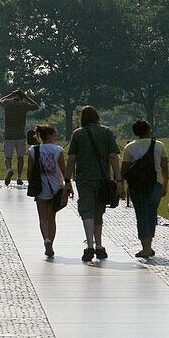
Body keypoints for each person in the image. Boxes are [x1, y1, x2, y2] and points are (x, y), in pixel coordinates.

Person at [66, 106, 121, 263]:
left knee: (87, 211)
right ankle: (99, 246)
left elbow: (71, 159)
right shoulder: (107, 132)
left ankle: (89, 245)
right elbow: (113, 157)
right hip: (103, 178)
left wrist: (67, 180)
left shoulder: (78, 134)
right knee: (99, 211)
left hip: (84, 178)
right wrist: (118, 180)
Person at [120, 119, 168, 260]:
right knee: (152, 214)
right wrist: (164, 185)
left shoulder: (129, 148)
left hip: (136, 186)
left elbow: (124, 170)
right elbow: (164, 168)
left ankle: (145, 248)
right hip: (156, 184)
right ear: (148, 130)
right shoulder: (159, 146)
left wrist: (121, 187)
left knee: (141, 215)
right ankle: (149, 245)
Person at [26, 124, 73, 258]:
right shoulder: (57, 150)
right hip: (56, 187)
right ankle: (51, 243)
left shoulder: (34, 150)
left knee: (42, 217)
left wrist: (31, 184)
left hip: (40, 187)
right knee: (52, 217)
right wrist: (67, 184)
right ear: (50, 136)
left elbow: (30, 170)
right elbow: (63, 169)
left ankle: (45, 239)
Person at [0, 89, 39, 185]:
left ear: (14, 95)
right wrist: (27, 98)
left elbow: (0, 100)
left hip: (8, 134)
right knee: (20, 157)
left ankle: (9, 170)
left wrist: (10, 94)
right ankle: (19, 177)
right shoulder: (24, 105)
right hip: (20, 135)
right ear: (22, 97)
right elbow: (36, 107)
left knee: (8, 157)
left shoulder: (7, 103)